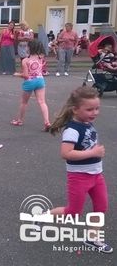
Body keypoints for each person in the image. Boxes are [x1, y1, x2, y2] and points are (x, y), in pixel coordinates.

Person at [47, 86, 113, 254]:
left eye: (97, 108)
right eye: (89, 109)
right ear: (75, 109)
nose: (94, 113)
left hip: (96, 175)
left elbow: (87, 143)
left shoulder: (87, 124)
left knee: (101, 207)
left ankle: (92, 238)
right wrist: (93, 152)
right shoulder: (72, 129)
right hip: (79, 177)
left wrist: (94, 151)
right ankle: (44, 216)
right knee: (73, 211)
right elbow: (66, 153)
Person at [10, 40, 51, 131]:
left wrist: (17, 74)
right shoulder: (41, 57)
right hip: (40, 80)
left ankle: (19, 120)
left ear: (30, 48)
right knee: (42, 102)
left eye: (27, 46)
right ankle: (47, 122)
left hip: (29, 82)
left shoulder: (25, 60)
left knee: (24, 102)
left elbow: (26, 75)